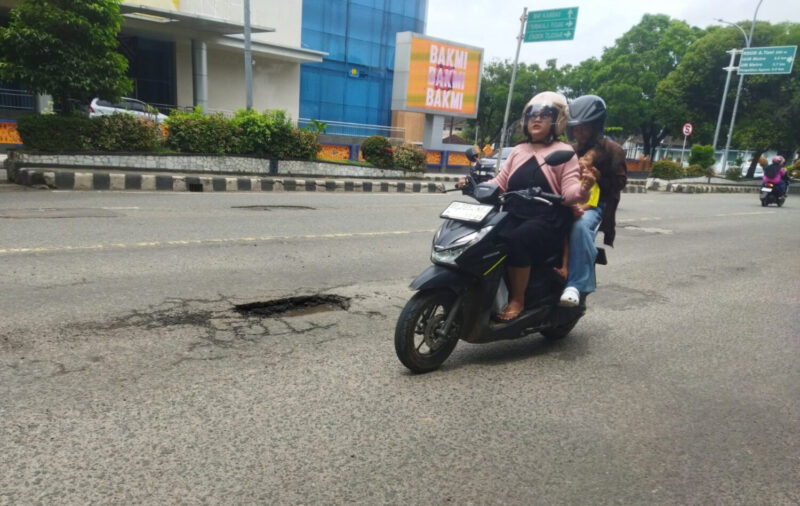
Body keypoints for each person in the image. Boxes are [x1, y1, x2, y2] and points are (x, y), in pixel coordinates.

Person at [459, 92, 592, 321]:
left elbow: (569, 191)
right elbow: (500, 182)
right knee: (481, 237)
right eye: (532, 114)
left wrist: (583, 190)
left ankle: (517, 300)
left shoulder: (565, 152)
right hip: (514, 213)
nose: (537, 119)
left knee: (517, 239)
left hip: (547, 218)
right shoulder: (519, 150)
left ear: (557, 120)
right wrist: (474, 186)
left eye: (545, 114)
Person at [559, 95, 628, 307]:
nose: (579, 133)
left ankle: (576, 285)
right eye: (576, 129)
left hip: (597, 205)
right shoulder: (570, 150)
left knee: (580, 227)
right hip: (571, 198)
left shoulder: (613, 150)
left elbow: (620, 183)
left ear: (595, 126)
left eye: (584, 128)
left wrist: (598, 177)